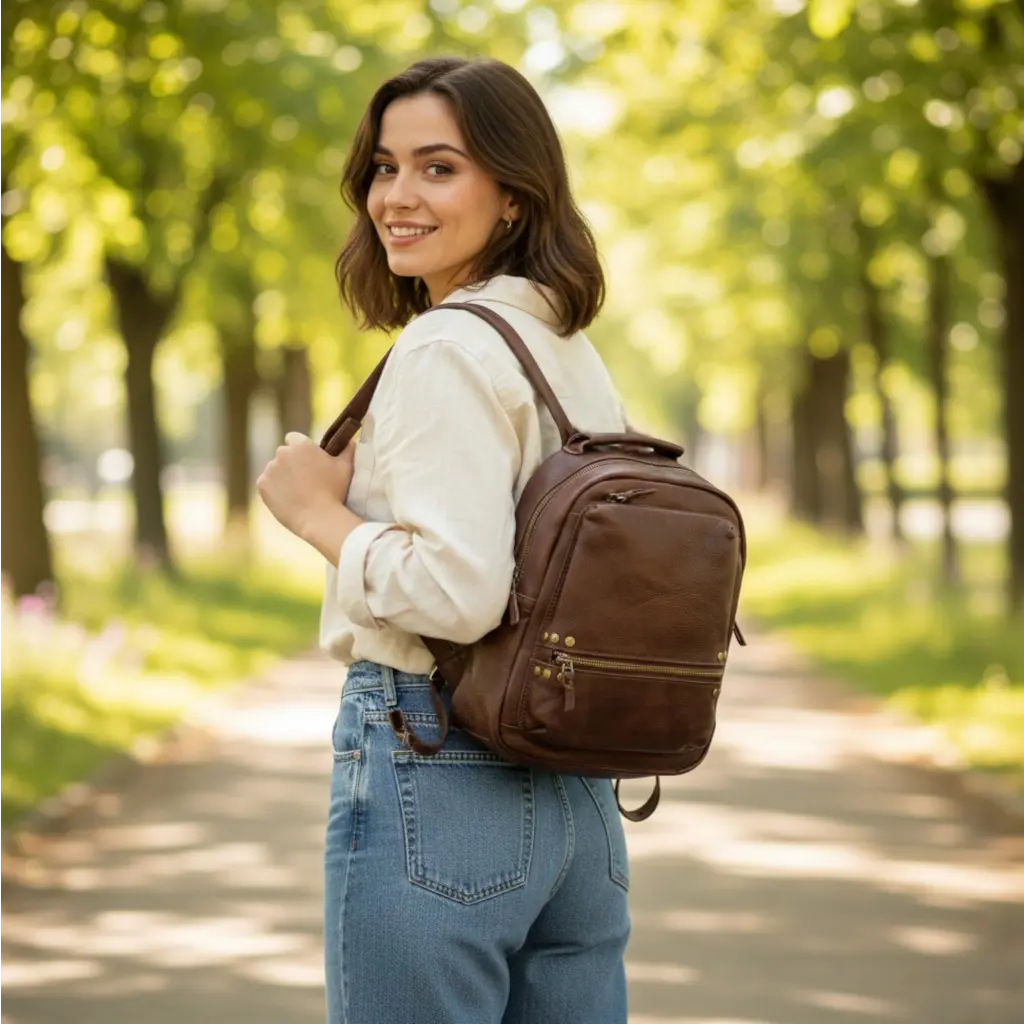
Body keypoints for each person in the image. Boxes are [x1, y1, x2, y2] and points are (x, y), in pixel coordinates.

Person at [257, 56, 631, 1024]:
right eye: (384, 168)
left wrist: (319, 517)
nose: (396, 196)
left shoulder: (444, 347)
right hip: (576, 797)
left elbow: (459, 591)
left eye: (438, 167)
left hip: (437, 754)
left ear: (511, 195)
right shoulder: (560, 347)